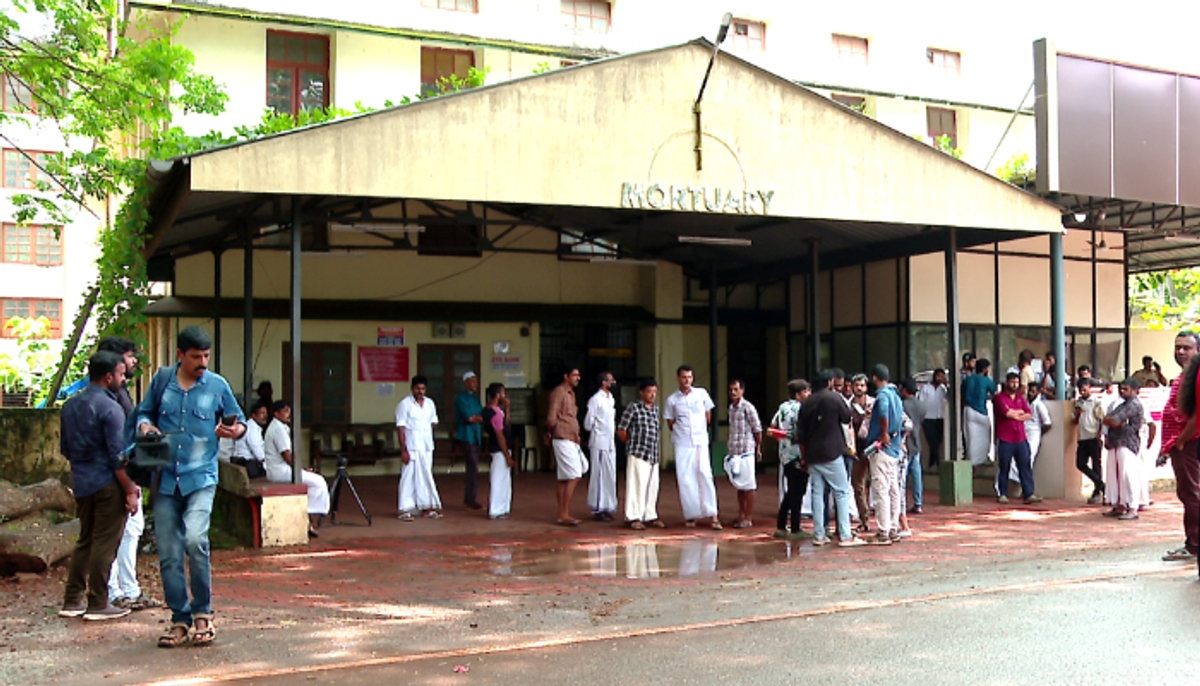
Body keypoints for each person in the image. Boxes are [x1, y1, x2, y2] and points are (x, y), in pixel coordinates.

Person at [134, 326, 246, 648]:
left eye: (206, 356)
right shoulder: (162, 381)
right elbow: (144, 412)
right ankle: (179, 620)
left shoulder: (217, 385)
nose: (202, 362)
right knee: (168, 552)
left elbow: (239, 422)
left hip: (201, 478)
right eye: (196, 356)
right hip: (166, 479)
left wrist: (233, 431)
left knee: (196, 540)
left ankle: (203, 614)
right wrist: (146, 425)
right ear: (180, 354)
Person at [59, 351, 140, 621]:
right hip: (108, 483)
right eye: (120, 374)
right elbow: (119, 456)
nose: (122, 378)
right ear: (108, 377)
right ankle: (98, 602)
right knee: (105, 543)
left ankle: (72, 599)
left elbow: (66, 449)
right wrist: (130, 489)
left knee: (85, 540)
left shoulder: (70, 406)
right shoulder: (110, 407)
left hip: (81, 481)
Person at [96, 336, 159, 613]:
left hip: (124, 471)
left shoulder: (117, 393)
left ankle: (128, 589)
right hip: (116, 475)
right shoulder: (109, 398)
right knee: (116, 533)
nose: (134, 362)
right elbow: (115, 445)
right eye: (130, 357)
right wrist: (129, 485)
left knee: (131, 531)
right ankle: (113, 591)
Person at [798, 371, 863, 547]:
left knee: (817, 494)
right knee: (841, 492)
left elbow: (801, 434)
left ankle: (819, 535)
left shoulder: (806, 403)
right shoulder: (834, 398)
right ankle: (845, 534)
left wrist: (804, 458)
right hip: (832, 452)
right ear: (829, 382)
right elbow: (847, 417)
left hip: (812, 454)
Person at [1158, 331, 1200, 562]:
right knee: (1187, 493)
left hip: (1188, 444)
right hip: (1180, 444)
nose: (1181, 352)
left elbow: (1196, 417)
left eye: (1187, 347)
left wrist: (1182, 441)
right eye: (1178, 347)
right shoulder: (1185, 376)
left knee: (1191, 493)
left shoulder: (1194, 378)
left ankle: (1194, 545)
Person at [664, 365, 721, 530]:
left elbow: (708, 417)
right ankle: (691, 515)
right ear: (678, 378)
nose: (687, 380)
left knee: (705, 475)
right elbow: (670, 422)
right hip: (682, 443)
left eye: (689, 377)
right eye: (683, 377)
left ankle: (713, 514)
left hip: (700, 441)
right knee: (685, 478)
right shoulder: (672, 400)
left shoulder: (701, 394)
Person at [263, 400, 330, 536]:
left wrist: (302, 469)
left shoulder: (280, 427)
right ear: (276, 413)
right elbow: (287, 456)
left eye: (289, 410)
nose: (288, 414)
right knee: (318, 483)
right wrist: (302, 470)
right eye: (285, 411)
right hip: (280, 471)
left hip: (280, 470)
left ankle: (307, 521)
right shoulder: (277, 429)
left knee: (315, 482)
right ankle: (304, 517)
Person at [618, 378, 665, 530]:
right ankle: (634, 517)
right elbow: (621, 430)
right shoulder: (634, 408)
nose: (652, 395)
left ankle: (649, 515)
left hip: (653, 454)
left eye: (655, 392)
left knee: (652, 486)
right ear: (642, 392)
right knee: (636, 486)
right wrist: (632, 445)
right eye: (649, 392)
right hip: (638, 453)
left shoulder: (656, 409)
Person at [866, 365, 904, 545]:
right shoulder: (896, 395)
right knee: (893, 489)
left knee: (881, 489)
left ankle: (883, 531)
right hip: (894, 449)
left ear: (874, 378)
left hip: (882, 447)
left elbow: (882, 411)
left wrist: (883, 431)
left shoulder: (882, 395)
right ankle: (894, 528)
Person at [395, 375, 443, 520]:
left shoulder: (430, 404)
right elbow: (401, 428)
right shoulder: (404, 404)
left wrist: (423, 428)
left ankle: (425, 508)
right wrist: (404, 450)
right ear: (412, 389)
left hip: (427, 447)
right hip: (412, 447)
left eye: (422, 389)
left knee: (425, 477)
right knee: (408, 478)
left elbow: (434, 422)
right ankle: (404, 510)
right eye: (417, 388)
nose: (420, 391)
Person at [546, 366, 587, 526]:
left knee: (564, 477)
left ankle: (562, 513)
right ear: (566, 376)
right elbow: (551, 417)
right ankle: (564, 513)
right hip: (562, 437)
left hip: (571, 439)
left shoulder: (571, 394)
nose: (578, 378)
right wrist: (551, 433)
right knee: (575, 474)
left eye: (578, 375)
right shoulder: (559, 392)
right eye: (575, 375)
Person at [993, 372, 1042, 505]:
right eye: (1012, 382)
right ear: (1007, 382)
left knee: (1025, 466)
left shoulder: (1021, 398)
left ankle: (1029, 493)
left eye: (1016, 382)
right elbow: (1006, 413)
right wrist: (1018, 413)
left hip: (1020, 437)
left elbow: (1029, 414)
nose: (1014, 384)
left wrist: (1016, 414)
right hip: (1005, 438)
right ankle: (1002, 493)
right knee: (1004, 466)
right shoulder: (1000, 398)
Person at [1102, 379, 1146, 520]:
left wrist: (1115, 422)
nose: (1122, 391)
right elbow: (1107, 419)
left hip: (1127, 442)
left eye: (1125, 389)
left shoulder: (1133, 404)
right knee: (1116, 476)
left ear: (1134, 390)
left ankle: (1133, 507)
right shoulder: (1122, 404)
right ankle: (1120, 505)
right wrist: (1113, 422)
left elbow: (1113, 421)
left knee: (1128, 475)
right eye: (1121, 388)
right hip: (1116, 441)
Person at [772, 379, 810, 539]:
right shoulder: (801, 409)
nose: (809, 394)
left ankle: (781, 525)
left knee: (791, 491)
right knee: (798, 491)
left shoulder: (783, 407)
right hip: (798, 455)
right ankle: (795, 527)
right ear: (798, 394)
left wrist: (783, 441)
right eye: (806, 391)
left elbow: (773, 427)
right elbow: (802, 433)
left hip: (785, 454)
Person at [725, 379, 762, 529]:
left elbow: (757, 429)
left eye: (736, 389)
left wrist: (758, 448)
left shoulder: (748, 407)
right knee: (739, 485)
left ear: (742, 391)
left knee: (749, 485)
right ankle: (741, 515)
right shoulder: (731, 408)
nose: (733, 392)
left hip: (747, 450)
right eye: (731, 390)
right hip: (735, 450)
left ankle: (748, 517)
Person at [584, 371, 618, 521]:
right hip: (599, 442)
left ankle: (608, 506)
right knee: (599, 476)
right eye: (611, 380)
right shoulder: (595, 400)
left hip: (610, 443)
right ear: (603, 383)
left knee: (610, 476)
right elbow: (588, 423)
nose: (614, 383)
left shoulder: (610, 399)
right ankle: (597, 507)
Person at [481, 383, 515, 520]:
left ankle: (502, 507)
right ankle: (496, 509)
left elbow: (505, 423)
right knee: (498, 480)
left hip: (498, 450)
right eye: (503, 393)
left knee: (503, 480)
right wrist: (507, 455)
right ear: (497, 395)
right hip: (500, 450)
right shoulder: (495, 413)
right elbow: (500, 436)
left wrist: (507, 408)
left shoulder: (491, 410)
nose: (504, 396)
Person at [1073, 377, 1107, 504]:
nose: (1082, 392)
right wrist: (1077, 413)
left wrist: (1100, 434)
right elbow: (1074, 420)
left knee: (1096, 465)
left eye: (1084, 389)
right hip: (1082, 437)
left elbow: (1102, 419)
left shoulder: (1096, 402)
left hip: (1093, 436)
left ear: (1089, 388)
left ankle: (1098, 491)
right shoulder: (1078, 403)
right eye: (1080, 390)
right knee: (1080, 463)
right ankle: (1101, 485)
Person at [1012, 383, 1053, 487]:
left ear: (1038, 392)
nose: (1030, 393)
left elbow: (1047, 423)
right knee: (1018, 457)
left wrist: (1038, 433)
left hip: (1034, 434)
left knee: (1028, 458)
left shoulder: (1039, 405)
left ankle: (1025, 484)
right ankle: (1019, 480)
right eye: (1029, 391)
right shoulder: (1026, 403)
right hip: (1023, 433)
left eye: (1033, 391)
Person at [455, 371, 485, 511]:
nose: (475, 384)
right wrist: (476, 418)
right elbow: (469, 418)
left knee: (473, 468)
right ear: (465, 383)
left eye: (476, 381)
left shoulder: (475, 399)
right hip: (466, 436)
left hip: (476, 436)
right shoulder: (461, 399)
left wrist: (477, 418)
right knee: (473, 468)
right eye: (472, 381)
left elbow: (481, 416)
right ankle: (470, 500)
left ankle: (469, 498)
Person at [848, 373, 874, 533]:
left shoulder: (874, 403)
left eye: (862, 385)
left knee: (879, 483)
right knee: (858, 484)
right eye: (857, 385)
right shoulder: (847, 406)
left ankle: (887, 521)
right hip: (856, 450)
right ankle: (864, 519)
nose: (859, 388)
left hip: (874, 448)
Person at [962, 359, 994, 470]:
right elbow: (994, 393)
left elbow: (962, 394)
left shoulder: (968, 379)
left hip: (969, 410)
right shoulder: (987, 381)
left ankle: (971, 463)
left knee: (970, 438)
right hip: (981, 410)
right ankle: (982, 459)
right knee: (985, 436)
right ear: (985, 369)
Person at [218, 401, 267, 473]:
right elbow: (256, 449)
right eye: (262, 413)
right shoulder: (251, 428)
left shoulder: (250, 427)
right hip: (246, 464)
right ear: (253, 415)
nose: (265, 416)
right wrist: (266, 461)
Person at [901, 378, 926, 515]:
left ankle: (902, 503)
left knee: (902, 476)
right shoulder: (922, 406)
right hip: (917, 442)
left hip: (905, 442)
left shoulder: (902, 405)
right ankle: (918, 503)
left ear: (904, 390)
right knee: (917, 475)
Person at [917, 369, 947, 470]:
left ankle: (932, 463)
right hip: (928, 418)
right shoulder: (925, 388)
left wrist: (946, 384)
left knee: (938, 441)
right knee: (932, 441)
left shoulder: (943, 389)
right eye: (939, 376)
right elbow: (920, 403)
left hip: (940, 418)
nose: (940, 378)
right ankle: (937, 463)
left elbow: (949, 398)